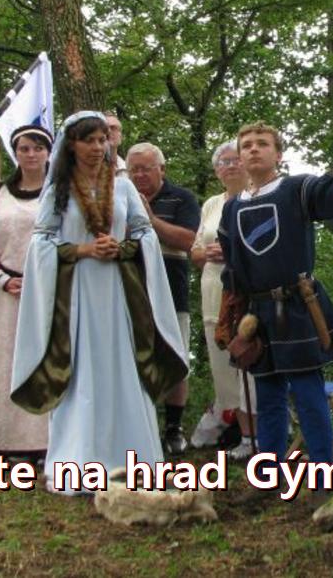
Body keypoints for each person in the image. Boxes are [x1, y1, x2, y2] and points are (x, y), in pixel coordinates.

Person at [10, 112, 187, 494]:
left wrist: (121, 248)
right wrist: (83, 249)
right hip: (77, 296)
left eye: (102, 139)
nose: (97, 147)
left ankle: (134, 461)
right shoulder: (58, 189)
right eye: (88, 140)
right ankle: (80, 462)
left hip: (119, 295)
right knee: (83, 372)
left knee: (124, 369)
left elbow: (144, 233)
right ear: (71, 145)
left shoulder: (122, 188)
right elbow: (41, 241)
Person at [217, 122, 333, 467]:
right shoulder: (232, 208)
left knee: (308, 394)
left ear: (278, 155)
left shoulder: (297, 189)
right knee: (267, 398)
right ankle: (267, 474)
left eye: (262, 143)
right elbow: (233, 268)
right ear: (240, 157)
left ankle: (322, 473)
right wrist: (231, 315)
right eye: (247, 145)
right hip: (257, 313)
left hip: (298, 306)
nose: (253, 148)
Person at [0, 125, 51, 456]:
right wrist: (0, 277)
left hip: (44, 292)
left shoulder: (58, 192)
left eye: (38, 148)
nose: (31, 154)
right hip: (5, 291)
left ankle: (40, 441)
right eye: (24, 148)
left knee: (40, 362)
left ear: (48, 152)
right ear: (15, 153)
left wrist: (44, 278)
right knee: (1, 364)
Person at [127, 141, 201, 457]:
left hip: (171, 291)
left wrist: (150, 220)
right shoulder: (119, 197)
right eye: (133, 170)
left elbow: (189, 240)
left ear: (162, 169)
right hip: (129, 290)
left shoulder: (182, 198)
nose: (139, 175)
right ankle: (137, 425)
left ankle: (173, 428)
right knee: (131, 358)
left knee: (175, 356)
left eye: (146, 169)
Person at [190, 139, 256, 458]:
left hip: (245, 293)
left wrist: (231, 253)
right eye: (223, 162)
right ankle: (232, 425)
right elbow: (195, 251)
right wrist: (206, 253)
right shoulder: (211, 205)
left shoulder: (255, 199)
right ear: (216, 171)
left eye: (235, 160)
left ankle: (253, 435)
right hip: (212, 292)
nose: (230, 166)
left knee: (247, 363)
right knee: (221, 366)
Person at [105, 113, 128, 177]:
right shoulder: (85, 168)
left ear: (121, 136)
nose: (109, 131)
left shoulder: (129, 170)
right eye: (104, 128)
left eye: (113, 128)